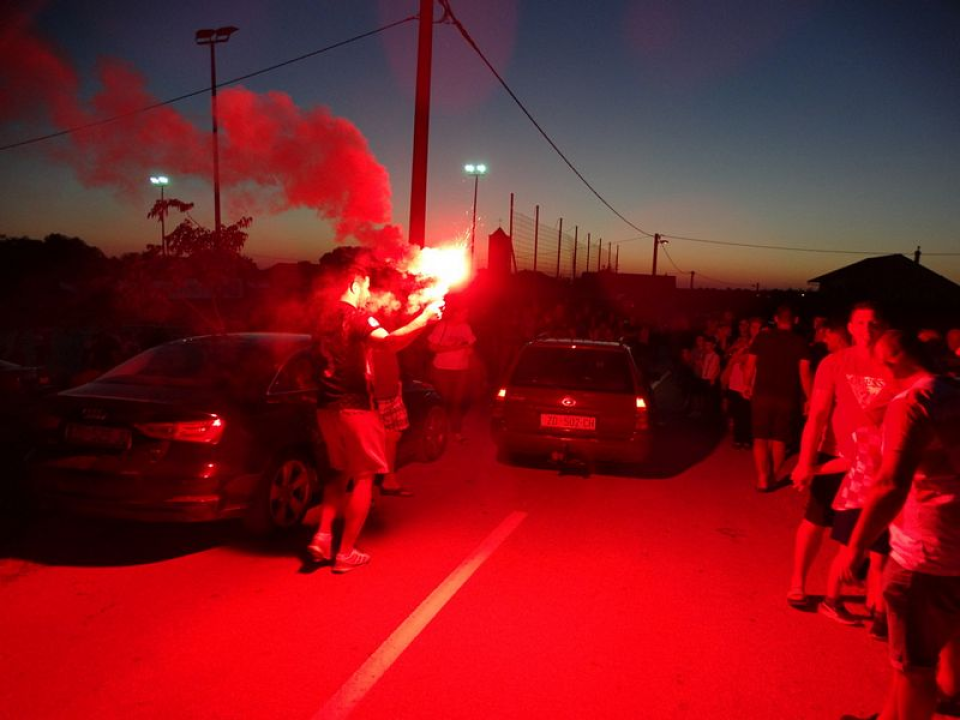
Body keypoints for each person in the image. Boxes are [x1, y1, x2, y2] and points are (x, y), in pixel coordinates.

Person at [838, 329, 960, 720]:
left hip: (925, 555)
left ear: (891, 359)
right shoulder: (952, 391)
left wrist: (855, 546)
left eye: (875, 362)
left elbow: (891, 483)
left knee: (914, 670)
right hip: (952, 547)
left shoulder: (912, 402)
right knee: (910, 657)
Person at [307, 247, 442, 572]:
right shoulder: (356, 317)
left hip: (326, 409)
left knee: (338, 474)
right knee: (365, 477)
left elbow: (383, 345)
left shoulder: (323, 318)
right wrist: (424, 319)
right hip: (355, 409)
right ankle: (346, 553)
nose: (368, 294)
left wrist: (418, 325)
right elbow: (389, 342)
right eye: (366, 287)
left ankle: (323, 536)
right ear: (355, 284)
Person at [787, 304, 882, 612]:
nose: (867, 329)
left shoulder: (892, 364)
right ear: (851, 327)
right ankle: (798, 583)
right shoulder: (834, 363)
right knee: (815, 520)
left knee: (866, 529)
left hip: (874, 462)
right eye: (861, 323)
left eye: (873, 323)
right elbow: (817, 415)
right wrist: (805, 461)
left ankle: (861, 587)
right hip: (835, 454)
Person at [743, 306, 812, 491]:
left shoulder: (762, 338)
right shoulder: (800, 342)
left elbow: (750, 364)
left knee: (760, 438)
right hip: (787, 397)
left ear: (775, 318)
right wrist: (809, 398)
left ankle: (762, 479)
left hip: (762, 394)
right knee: (779, 439)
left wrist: (746, 384)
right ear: (795, 320)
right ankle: (772, 475)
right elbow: (804, 373)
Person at [427, 299, 476, 442]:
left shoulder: (466, 327)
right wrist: (456, 347)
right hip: (442, 369)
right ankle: (440, 430)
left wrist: (469, 350)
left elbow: (471, 346)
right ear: (455, 314)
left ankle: (456, 431)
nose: (466, 315)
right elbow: (432, 347)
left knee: (457, 402)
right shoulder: (442, 326)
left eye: (467, 313)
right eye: (463, 313)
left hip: (461, 370)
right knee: (443, 401)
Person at [371, 344, 413, 497]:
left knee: (393, 436)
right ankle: (366, 490)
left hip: (392, 392)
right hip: (377, 396)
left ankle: (389, 481)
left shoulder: (388, 331)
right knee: (371, 442)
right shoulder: (368, 330)